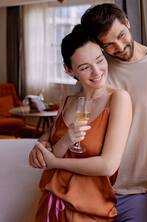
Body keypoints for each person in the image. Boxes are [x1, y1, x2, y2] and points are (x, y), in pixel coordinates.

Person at [29, 3, 147, 222]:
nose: (119, 46)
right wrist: (44, 141)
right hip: (91, 184)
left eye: (122, 35)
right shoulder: (98, 65)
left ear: (127, 22)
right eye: (108, 45)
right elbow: (73, 111)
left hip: (137, 188)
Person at [33, 27, 132, 221]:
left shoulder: (118, 99)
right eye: (85, 67)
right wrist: (43, 147)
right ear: (69, 70)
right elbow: (53, 151)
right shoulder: (68, 101)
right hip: (51, 204)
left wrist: (55, 163)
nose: (97, 72)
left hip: (89, 209)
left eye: (99, 60)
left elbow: (108, 165)